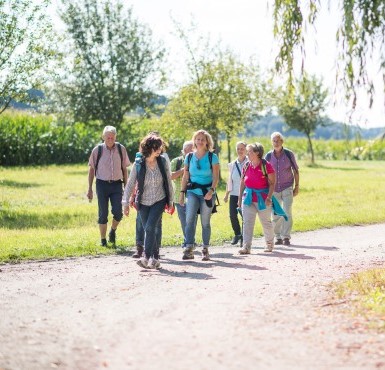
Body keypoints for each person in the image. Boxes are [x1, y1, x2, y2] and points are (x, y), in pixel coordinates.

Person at [122, 133, 173, 269]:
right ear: (149, 147)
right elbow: (130, 183)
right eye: (157, 147)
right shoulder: (138, 164)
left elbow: (168, 182)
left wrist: (171, 201)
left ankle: (145, 257)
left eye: (160, 147)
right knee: (148, 230)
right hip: (143, 201)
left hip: (159, 200)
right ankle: (155, 259)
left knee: (150, 227)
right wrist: (125, 203)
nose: (160, 150)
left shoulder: (162, 162)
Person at [179, 130, 220, 261]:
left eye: (203, 139)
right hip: (192, 192)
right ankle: (189, 248)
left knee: (205, 222)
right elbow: (185, 176)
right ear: (194, 141)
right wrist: (182, 193)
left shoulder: (212, 157)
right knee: (189, 219)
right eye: (198, 139)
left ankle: (205, 249)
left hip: (207, 193)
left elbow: (216, 176)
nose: (200, 141)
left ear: (207, 141)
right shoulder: (189, 157)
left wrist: (211, 190)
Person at [87, 126, 130, 246]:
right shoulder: (97, 150)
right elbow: (91, 169)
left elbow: (124, 169)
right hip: (101, 184)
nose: (110, 139)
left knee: (118, 213)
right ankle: (103, 240)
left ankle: (113, 231)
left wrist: (127, 187)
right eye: (108, 137)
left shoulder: (121, 149)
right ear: (103, 137)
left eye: (112, 137)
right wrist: (89, 188)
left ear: (115, 137)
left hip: (117, 185)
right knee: (103, 213)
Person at [238, 142, 275, 254]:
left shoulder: (266, 165)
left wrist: (269, 197)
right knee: (247, 222)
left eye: (249, 151)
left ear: (257, 153)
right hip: (248, 197)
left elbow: (272, 183)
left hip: (262, 199)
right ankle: (246, 247)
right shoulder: (246, 165)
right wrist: (239, 199)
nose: (247, 154)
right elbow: (242, 183)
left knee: (266, 222)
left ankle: (269, 244)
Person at [265, 132, 299, 246]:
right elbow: (264, 173)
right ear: (272, 142)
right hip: (274, 188)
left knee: (287, 211)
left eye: (278, 140)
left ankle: (286, 237)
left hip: (287, 186)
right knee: (276, 213)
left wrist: (297, 186)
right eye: (274, 141)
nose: (276, 143)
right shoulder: (268, 156)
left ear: (282, 141)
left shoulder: (289, 154)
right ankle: (278, 237)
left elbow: (295, 170)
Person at [170, 140, 195, 247]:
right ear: (184, 151)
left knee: (192, 221)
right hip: (178, 197)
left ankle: (189, 241)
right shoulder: (176, 161)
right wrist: (184, 170)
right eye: (190, 149)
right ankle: (189, 241)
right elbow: (171, 176)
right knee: (184, 221)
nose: (193, 151)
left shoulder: (197, 160)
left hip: (194, 195)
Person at [223, 141, 247, 245]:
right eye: (238, 149)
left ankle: (244, 238)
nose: (240, 151)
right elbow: (230, 180)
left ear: (246, 150)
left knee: (244, 216)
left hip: (245, 194)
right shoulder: (232, 164)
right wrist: (226, 194)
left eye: (242, 149)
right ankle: (237, 234)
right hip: (233, 194)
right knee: (232, 215)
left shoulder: (249, 163)